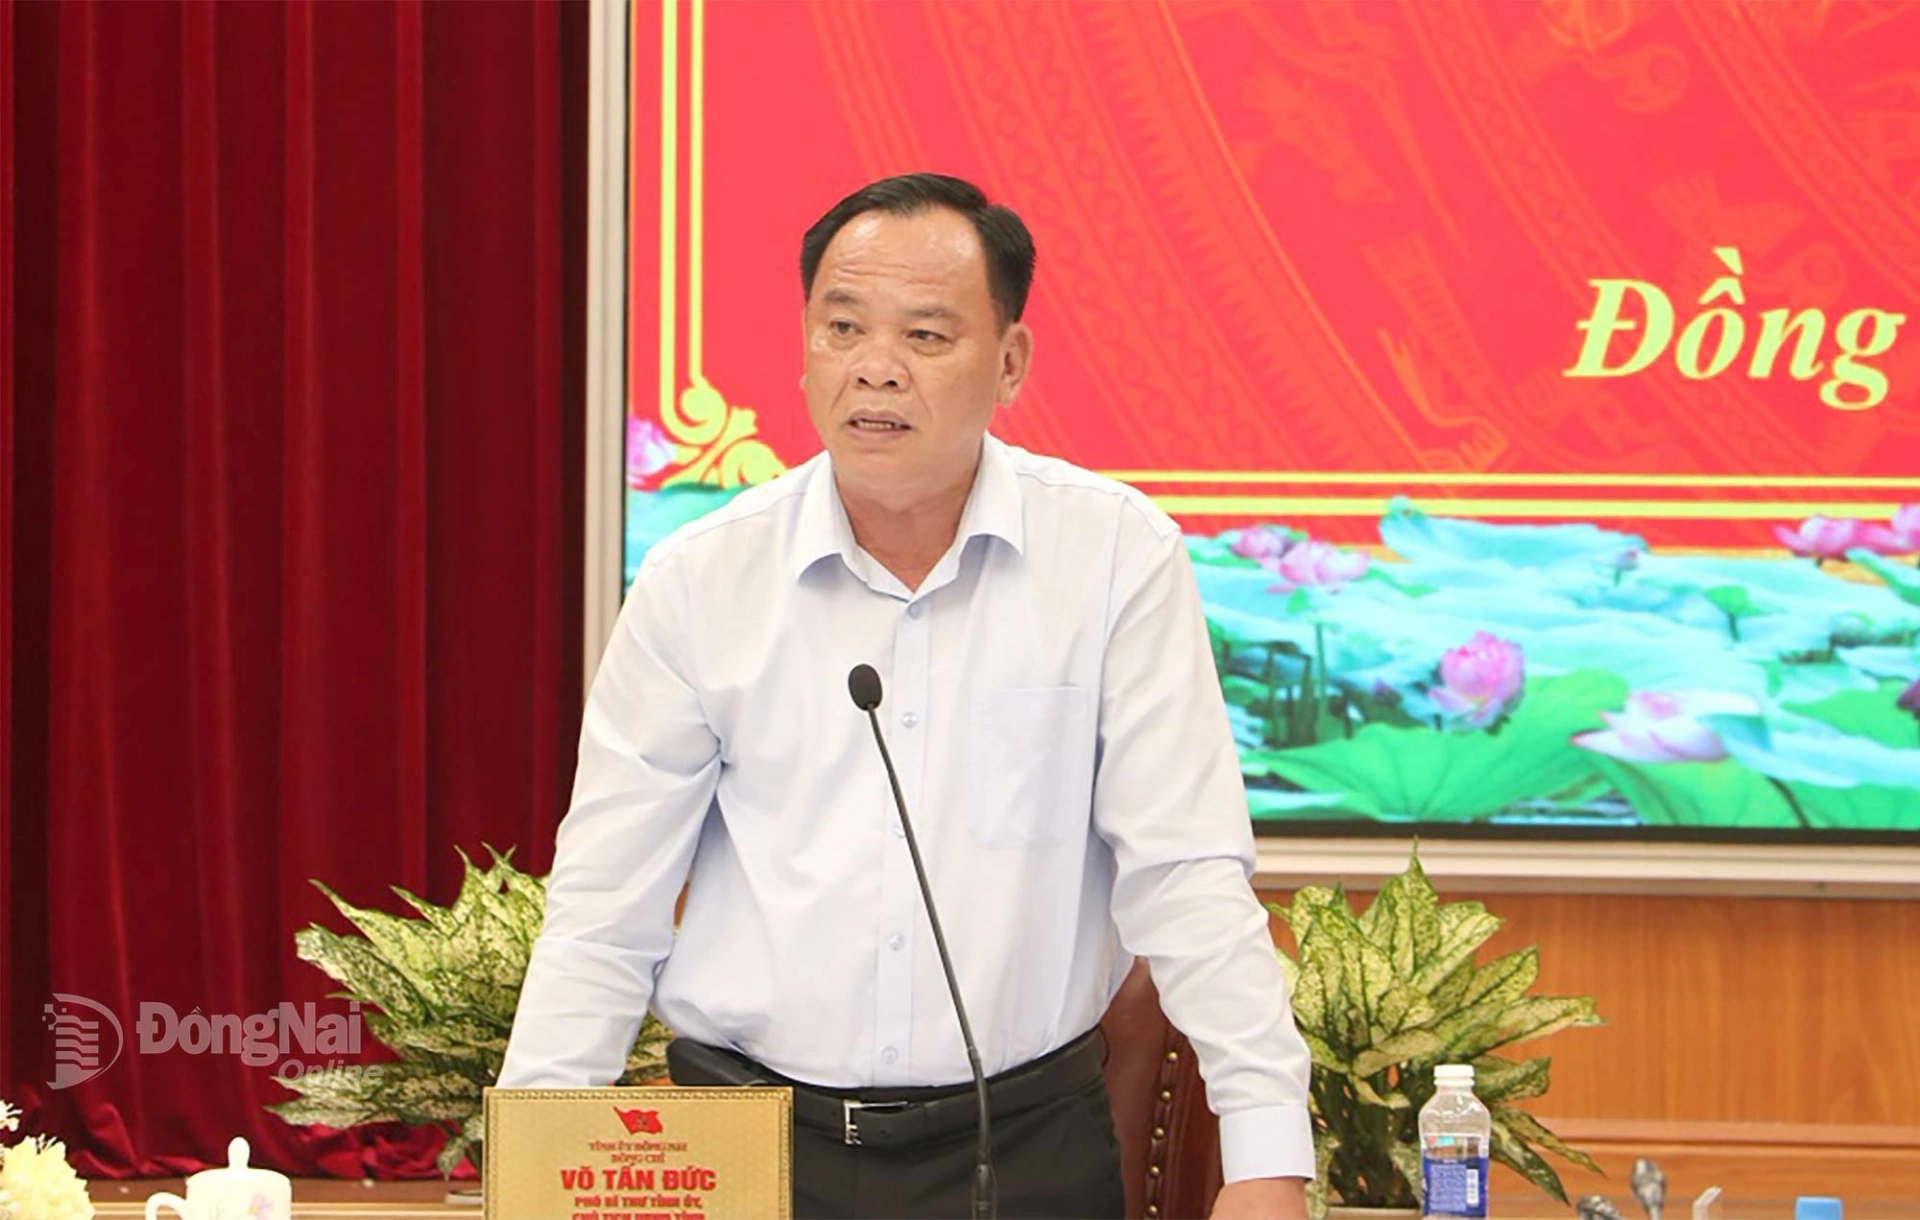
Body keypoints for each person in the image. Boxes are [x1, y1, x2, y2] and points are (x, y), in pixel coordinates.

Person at [499, 173, 1313, 1219]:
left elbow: (1187, 875)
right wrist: (536, 1170)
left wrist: (1266, 1158)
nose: (875, 369)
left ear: (1010, 361)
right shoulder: (701, 580)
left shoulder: (1113, 556)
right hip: (750, 1142)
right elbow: (606, 907)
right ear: (804, 348)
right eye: (842, 327)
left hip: (1022, 1142)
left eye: (926, 337)